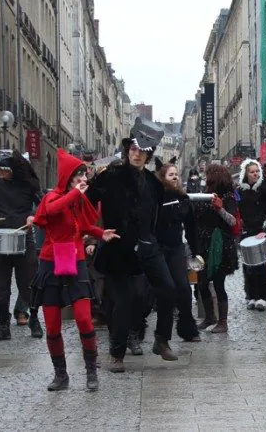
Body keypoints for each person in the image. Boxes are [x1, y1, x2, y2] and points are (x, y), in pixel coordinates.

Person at [86, 121, 179, 373]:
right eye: (135, 149)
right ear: (128, 150)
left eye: (143, 151)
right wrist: (94, 234)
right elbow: (86, 203)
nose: (138, 154)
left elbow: (165, 209)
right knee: (124, 301)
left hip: (148, 246)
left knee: (169, 289)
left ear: (149, 156)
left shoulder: (152, 182)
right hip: (118, 248)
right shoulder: (110, 176)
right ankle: (116, 354)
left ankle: (161, 340)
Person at [31, 149, 119, 391]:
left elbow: (83, 225)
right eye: (78, 175)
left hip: (75, 260)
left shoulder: (77, 199)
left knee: (83, 318)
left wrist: (101, 233)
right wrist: (75, 193)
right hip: (51, 262)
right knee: (52, 325)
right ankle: (61, 374)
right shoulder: (54, 197)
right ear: (68, 177)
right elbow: (51, 211)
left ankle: (92, 371)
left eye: (84, 175)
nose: (83, 179)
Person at [0, 151, 43, 341]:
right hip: (1, 240)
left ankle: (34, 320)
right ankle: (3, 325)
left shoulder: (29, 185)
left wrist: (34, 215)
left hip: (25, 238)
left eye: (4, 170)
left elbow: (43, 204)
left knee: (29, 282)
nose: (1, 173)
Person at [154, 160, 203, 342]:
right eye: (170, 174)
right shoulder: (156, 198)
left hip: (175, 248)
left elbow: (191, 228)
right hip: (157, 249)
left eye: (176, 174)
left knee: (183, 289)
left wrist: (196, 251)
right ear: (163, 177)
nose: (174, 177)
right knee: (159, 291)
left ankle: (187, 328)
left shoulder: (183, 199)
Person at [193, 164, 239, 332]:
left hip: (221, 246)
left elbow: (233, 221)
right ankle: (209, 317)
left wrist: (220, 208)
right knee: (202, 283)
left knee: (219, 283)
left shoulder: (228, 197)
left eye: (208, 176)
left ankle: (223, 322)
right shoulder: (203, 195)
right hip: (203, 244)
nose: (205, 179)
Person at [237, 158, 266, 311]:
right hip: (247, 230)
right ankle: (251, 295)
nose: (255, 174)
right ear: (246, 174)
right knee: (248, 265)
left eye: (257, 171)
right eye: (252, 172)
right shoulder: (240, 190)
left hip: (262, 230)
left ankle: (264, 296)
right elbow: (238, 211)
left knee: (262, 265)